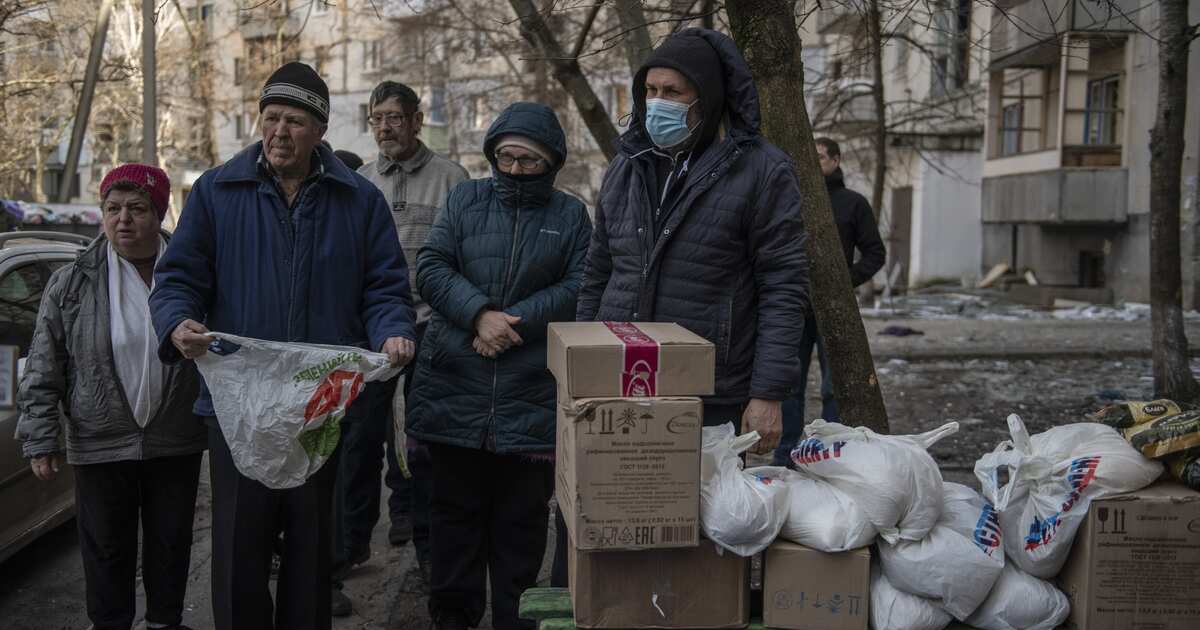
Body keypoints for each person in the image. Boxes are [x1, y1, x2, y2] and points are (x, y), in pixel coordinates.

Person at [148, 62, 416, 630]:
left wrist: (393, 328)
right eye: (270, 118)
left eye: (294, 121)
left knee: (312, 545)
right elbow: (178, 279)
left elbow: (385, 286)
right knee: (240, 545)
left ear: (320, 130)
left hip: (321, 405)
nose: (279, 132)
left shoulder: (360, 200)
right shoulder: (218, 191)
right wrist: (176, 322)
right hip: (238, 406)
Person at [406, 102, 592, 630]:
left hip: (530, 392)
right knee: (453, 522)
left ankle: (516, 618)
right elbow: (432, 266)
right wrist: (478, 315)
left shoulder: (570, 215)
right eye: (506, 157)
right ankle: (453, 617)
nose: (513, 169)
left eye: (528, 161)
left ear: (551, 163)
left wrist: (511, 325)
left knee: (521, 525)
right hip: (454, 386)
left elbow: (580, 286)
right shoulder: (464, 199)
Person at [578, 27, 809, 442]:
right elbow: (598, 270)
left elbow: (783, 286)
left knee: (706, 508)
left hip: (711, 393)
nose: (657, 103)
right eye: (649, 90)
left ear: (708, 97)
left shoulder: (762, 171)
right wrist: (578, 364)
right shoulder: (627, 165)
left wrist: (768, 394)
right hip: (619, 382)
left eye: (672, 92)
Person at [17, 164, 206, 630]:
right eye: (112, 208)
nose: (123, 219)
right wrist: (41, 437)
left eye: (137, 208)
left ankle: (165, 621)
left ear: (159, 213)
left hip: (175, 439)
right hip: (98, 439)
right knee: (105, 549)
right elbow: (44, 363)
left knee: (170, 542)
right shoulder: (72, 282)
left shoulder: (191, 274)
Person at [334, 81, 468, 589]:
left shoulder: (452, 179)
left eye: (394, 117)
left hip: (435, 328)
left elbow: (464, 257)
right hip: (373, 332)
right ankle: (350, 544)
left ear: (416, 119)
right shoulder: (360, 182)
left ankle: (428, 545)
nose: (385, 128)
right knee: (360, 440)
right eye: (377, 119)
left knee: (426, 440)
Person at [772, 137, 885, 466]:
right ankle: (786, 455)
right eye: (811, 157)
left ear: (836, 160)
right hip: (792, 304)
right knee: (788, 384)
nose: (815, 163)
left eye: (820, 157)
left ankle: (829, 454)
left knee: (833, 385)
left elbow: (875, 253)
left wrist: (842, 283)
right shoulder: (790, 199)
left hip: (834, 310)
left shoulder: (853, 203)